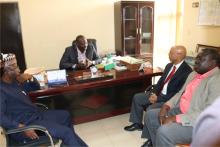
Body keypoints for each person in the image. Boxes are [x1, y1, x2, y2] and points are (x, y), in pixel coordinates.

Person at [0, 53, 87, 147]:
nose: (19, 69)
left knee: (66, 115)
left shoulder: (15, 81)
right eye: (16, 67)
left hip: (35, 115)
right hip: (26, 126)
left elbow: (35, 88)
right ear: (6, 71)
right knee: (66, 132)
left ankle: (70, 144)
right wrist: (21, 127)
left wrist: (31, 78)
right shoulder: (2, 90)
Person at [142, 48, 220, 147]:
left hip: (199, 123)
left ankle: (162, 140)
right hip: (181, 109)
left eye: (201, 59)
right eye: (197, 58)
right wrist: (166, 105)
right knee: (150, 115)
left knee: (164, 132)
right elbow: (180, 93)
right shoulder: (194, 74)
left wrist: (176, 118)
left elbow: (208, 113)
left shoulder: (216, 80)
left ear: (213, 63)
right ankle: (156, 143)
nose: (197, 61)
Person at [124, 45, 192, 132]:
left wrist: (158, 99)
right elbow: (160, 82)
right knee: (137, 97)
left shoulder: (187, 72)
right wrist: (154, 93)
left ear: (179, 55)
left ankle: (150, 136)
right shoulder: (169, 66)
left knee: (150, 110)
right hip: (159, 94)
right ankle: (137, 124)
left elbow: (178, 93)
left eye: (171, 53)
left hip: (169, 100)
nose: (168, 54)